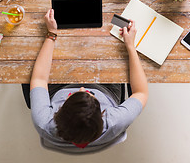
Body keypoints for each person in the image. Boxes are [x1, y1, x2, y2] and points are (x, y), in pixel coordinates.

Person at [26, 9, 148, 154]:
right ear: (103, 114)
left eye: (74, 95)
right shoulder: (115, 121)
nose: (83, 88)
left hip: (57, 90)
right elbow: (141, 92)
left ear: (58, 114)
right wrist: (130, 46)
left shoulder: (44, 122)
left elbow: (39, 79)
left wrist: (51, 34)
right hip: (106, 91)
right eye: (90, 95)